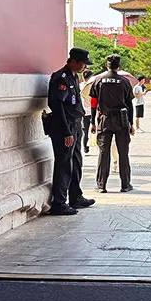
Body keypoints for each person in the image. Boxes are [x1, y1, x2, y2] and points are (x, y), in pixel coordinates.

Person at [46, 48, 97, 215]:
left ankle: (76, 196)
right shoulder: (60, 78)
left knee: (76, 161)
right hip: (64, 127)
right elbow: (57, 105)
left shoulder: (74, 77)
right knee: (63, 164)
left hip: (75, 124)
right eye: (82, 64)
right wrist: (66, 132)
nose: (84, 67)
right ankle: (59, 202)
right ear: (73, 61)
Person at [90, 55, 136, 193]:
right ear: (119, 66)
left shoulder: (98, 80)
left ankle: (101, 185)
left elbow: (93, 103)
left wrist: (92, 122)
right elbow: (129, 104)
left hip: (104, 119)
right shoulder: (124, 81)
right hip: (121, 120)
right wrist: (131, 123)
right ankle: (125, 184)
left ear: (106, 65)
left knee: (103, 152)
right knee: (123, 152)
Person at [80, 70, 94, 154]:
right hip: (92, 111)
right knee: (94, 129)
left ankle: (85, 148)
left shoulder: (80, 86)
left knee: (85, 131)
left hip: (83, 112)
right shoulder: (92, 86)